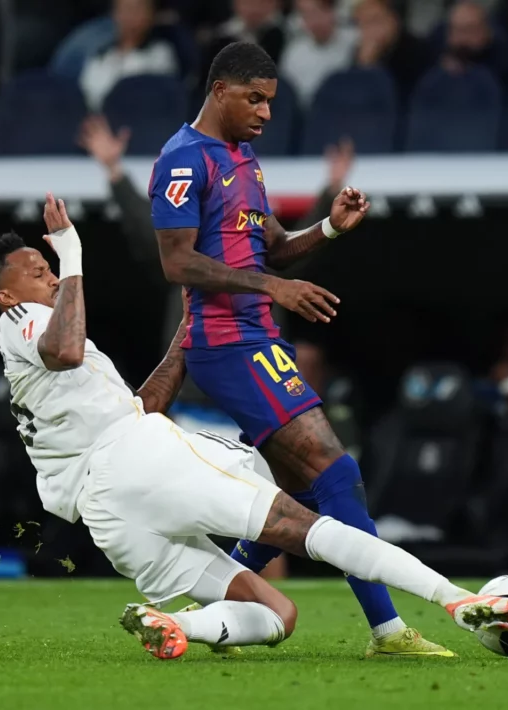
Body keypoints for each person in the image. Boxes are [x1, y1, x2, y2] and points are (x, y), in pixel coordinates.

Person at [0, 193, 508, 660]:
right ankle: (459, 601)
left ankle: (174, 624)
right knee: (307, 514)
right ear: (9, 293)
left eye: (50, 269)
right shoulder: (22, 318)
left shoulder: (40, 349)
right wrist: (70, 250)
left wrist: (188, 332)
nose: (51, 278)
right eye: (38, 272)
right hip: (133, 463)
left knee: (277, 614)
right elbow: (64, 348)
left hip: (112, 517)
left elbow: (142, 405)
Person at [149, 41, 433, 657]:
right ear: (220, 89)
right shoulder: (181, 160)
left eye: (271, 101)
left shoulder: (243, 158)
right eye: (255, 98)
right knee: (337, 470)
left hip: (257, 339)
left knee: (305, 492)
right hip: (226, 345)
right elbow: (177, 262)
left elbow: (270, 246)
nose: (265, 112)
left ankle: (210, 611)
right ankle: (388, 630)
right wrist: (271, 286)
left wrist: (329, 228)